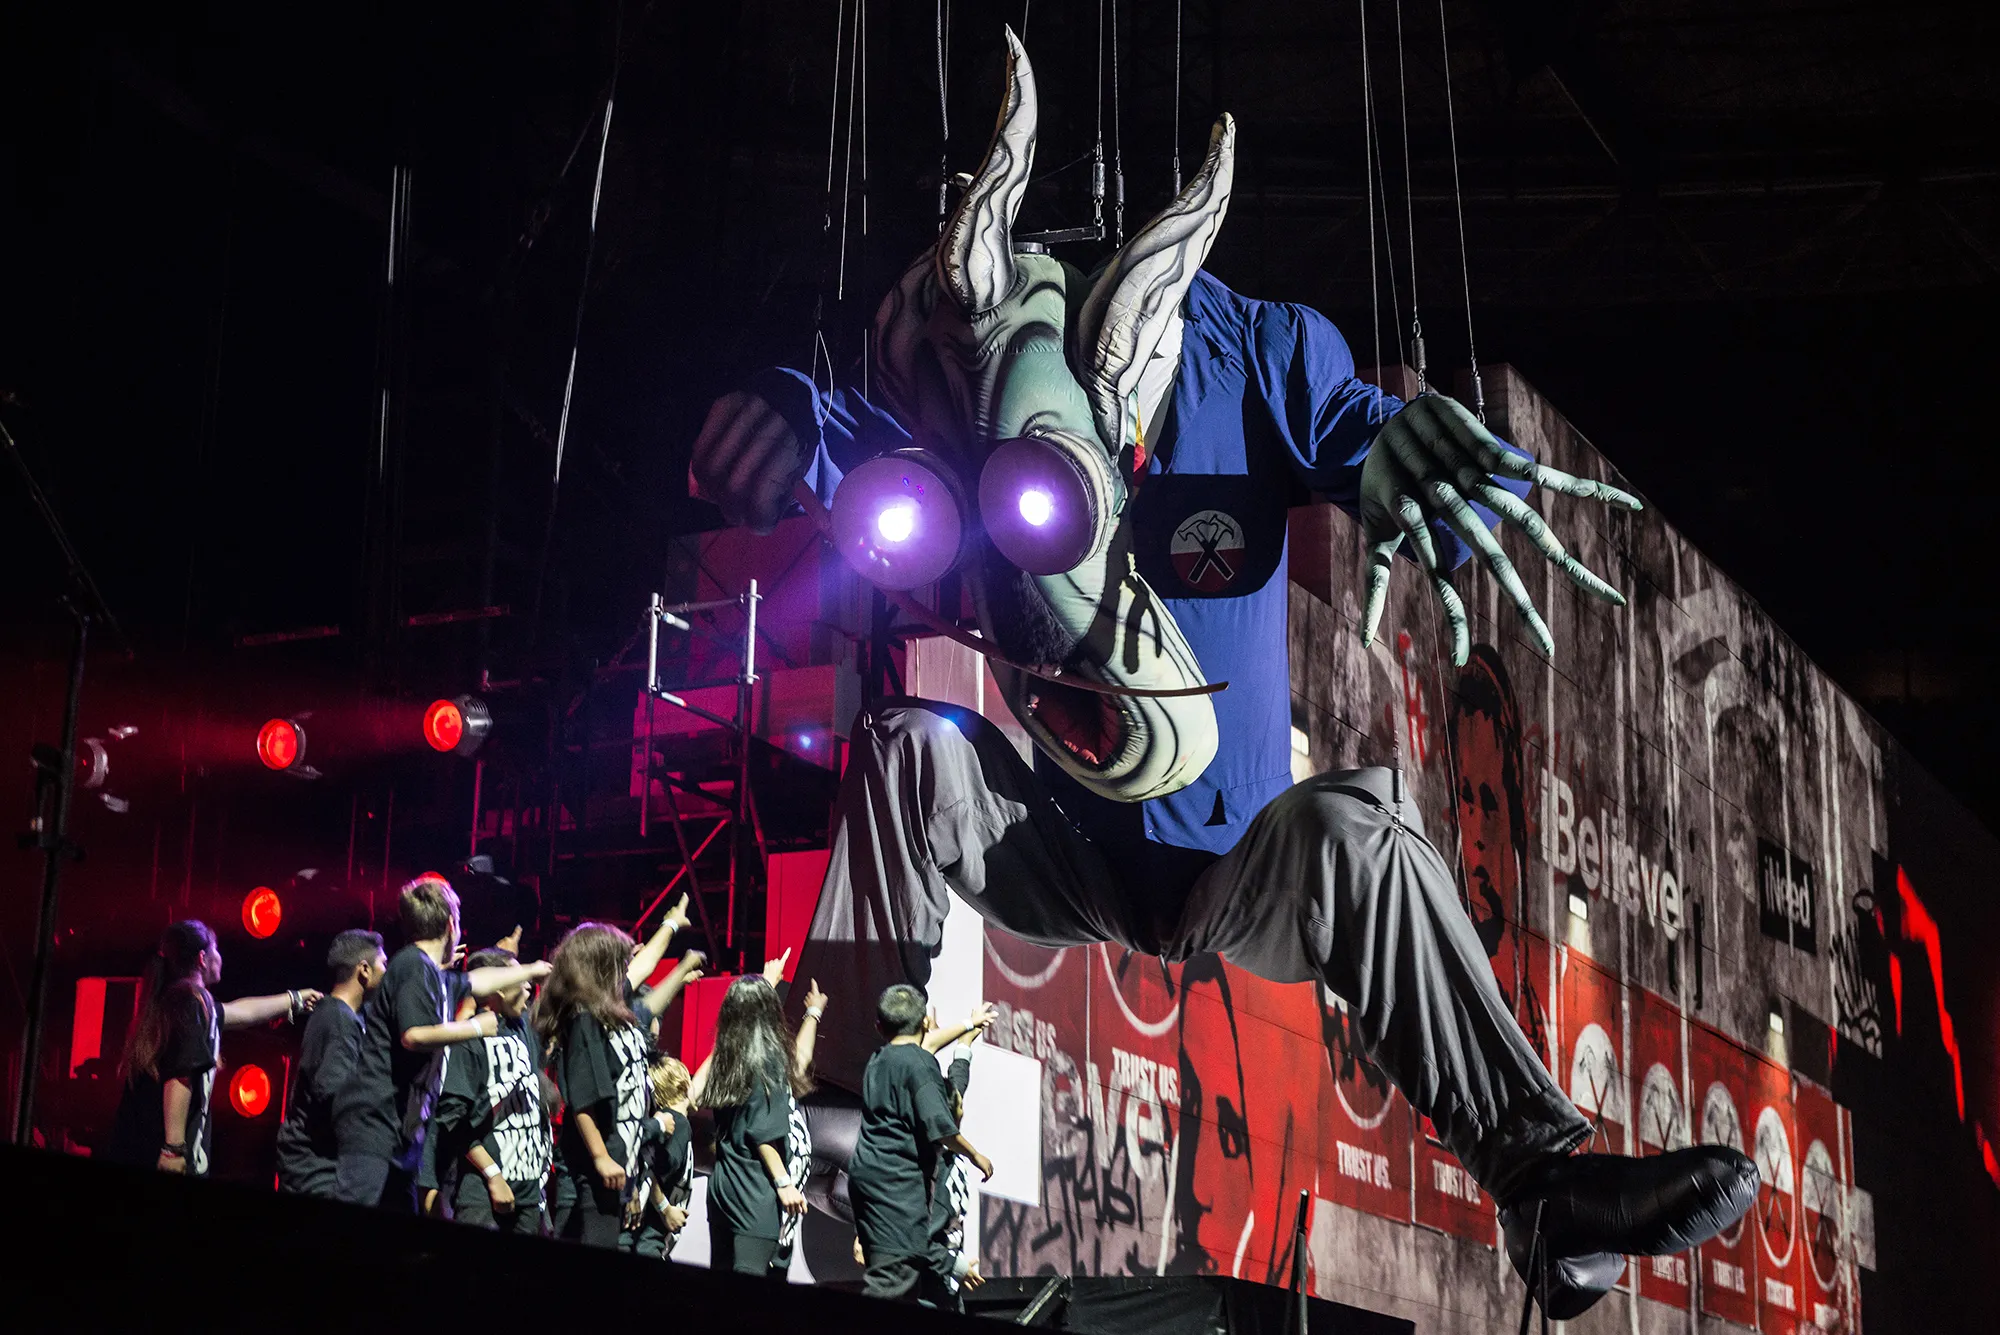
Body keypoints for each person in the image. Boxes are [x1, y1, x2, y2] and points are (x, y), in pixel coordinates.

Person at [698, 32, 1756, 1319]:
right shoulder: (983, 366)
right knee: (914, 746)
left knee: (1358, 829)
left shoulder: (1252, 351)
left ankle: (1541, 1178)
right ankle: (854, 1134)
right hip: (1065, 846)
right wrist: (777, 415)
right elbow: (857, 442)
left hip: (1233, 861)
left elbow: (1357, 438)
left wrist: (1399, 458)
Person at [332, 875, 551, 1211]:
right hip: (374, 1125)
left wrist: (530, 970)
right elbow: (414, 1035)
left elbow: (477, 980)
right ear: (452, 924)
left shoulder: (432, 973)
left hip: (398, 1131)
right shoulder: (412, 965)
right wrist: (476, 1027)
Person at [106, 920, 320, 1177]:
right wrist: (173, 1149)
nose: (221, 956)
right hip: (156, 1153)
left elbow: (243, 1011)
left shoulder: (183, 999)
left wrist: (294, 999)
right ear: (202, 959)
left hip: (136, 1146)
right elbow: (179, 1076)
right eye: (216, 949)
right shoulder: (191, 1001)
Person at [848, 984, 993, 1305]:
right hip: (895, 1185)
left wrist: (967, 1032)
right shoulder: (920, 1067)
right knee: (892, 1287)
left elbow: (952, 1079)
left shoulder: (881, 1059)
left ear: (878, 1027)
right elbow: (942, 1125)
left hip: (867, 1179)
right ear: (925, 1022)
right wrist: (975, 1154)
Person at [540, 922, 675, 1247]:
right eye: (619, 963)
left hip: (617, 1163)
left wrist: (671, 926)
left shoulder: (604, 1012)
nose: (625, 970)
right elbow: (583, 1099)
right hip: (600, 1163)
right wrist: (601, 1157)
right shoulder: (585, 1019)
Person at [695, 972, 813, 1274]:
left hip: (724, 1185)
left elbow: (694, 1093)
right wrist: (784, 1183)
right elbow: (762, 1134)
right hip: (754, 1189)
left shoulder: (728, 1059)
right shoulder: (767, 1060)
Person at [430, 947, 551, 1234]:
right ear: (496, 989)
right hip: (484, 1195)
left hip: (529, 1194)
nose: (527, 984)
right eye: (517, 977)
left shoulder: (523, 1029)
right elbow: (452, 1119)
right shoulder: (472, 1036)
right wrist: (493, 1175)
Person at [277, 929, 386, 1196]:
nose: (388, 971)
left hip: (322, 1165)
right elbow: (332, 1092)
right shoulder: (337, 1019)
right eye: (384, 963)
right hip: (315, 1171)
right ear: (364, 970)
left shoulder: (348, 1017)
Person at [622, 1055, 695, 1259]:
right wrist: (665, 1208)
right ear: (684, 1085)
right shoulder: (679, 1125)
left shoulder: (672, 1121)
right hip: (649, 1241)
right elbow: (651, 1168)